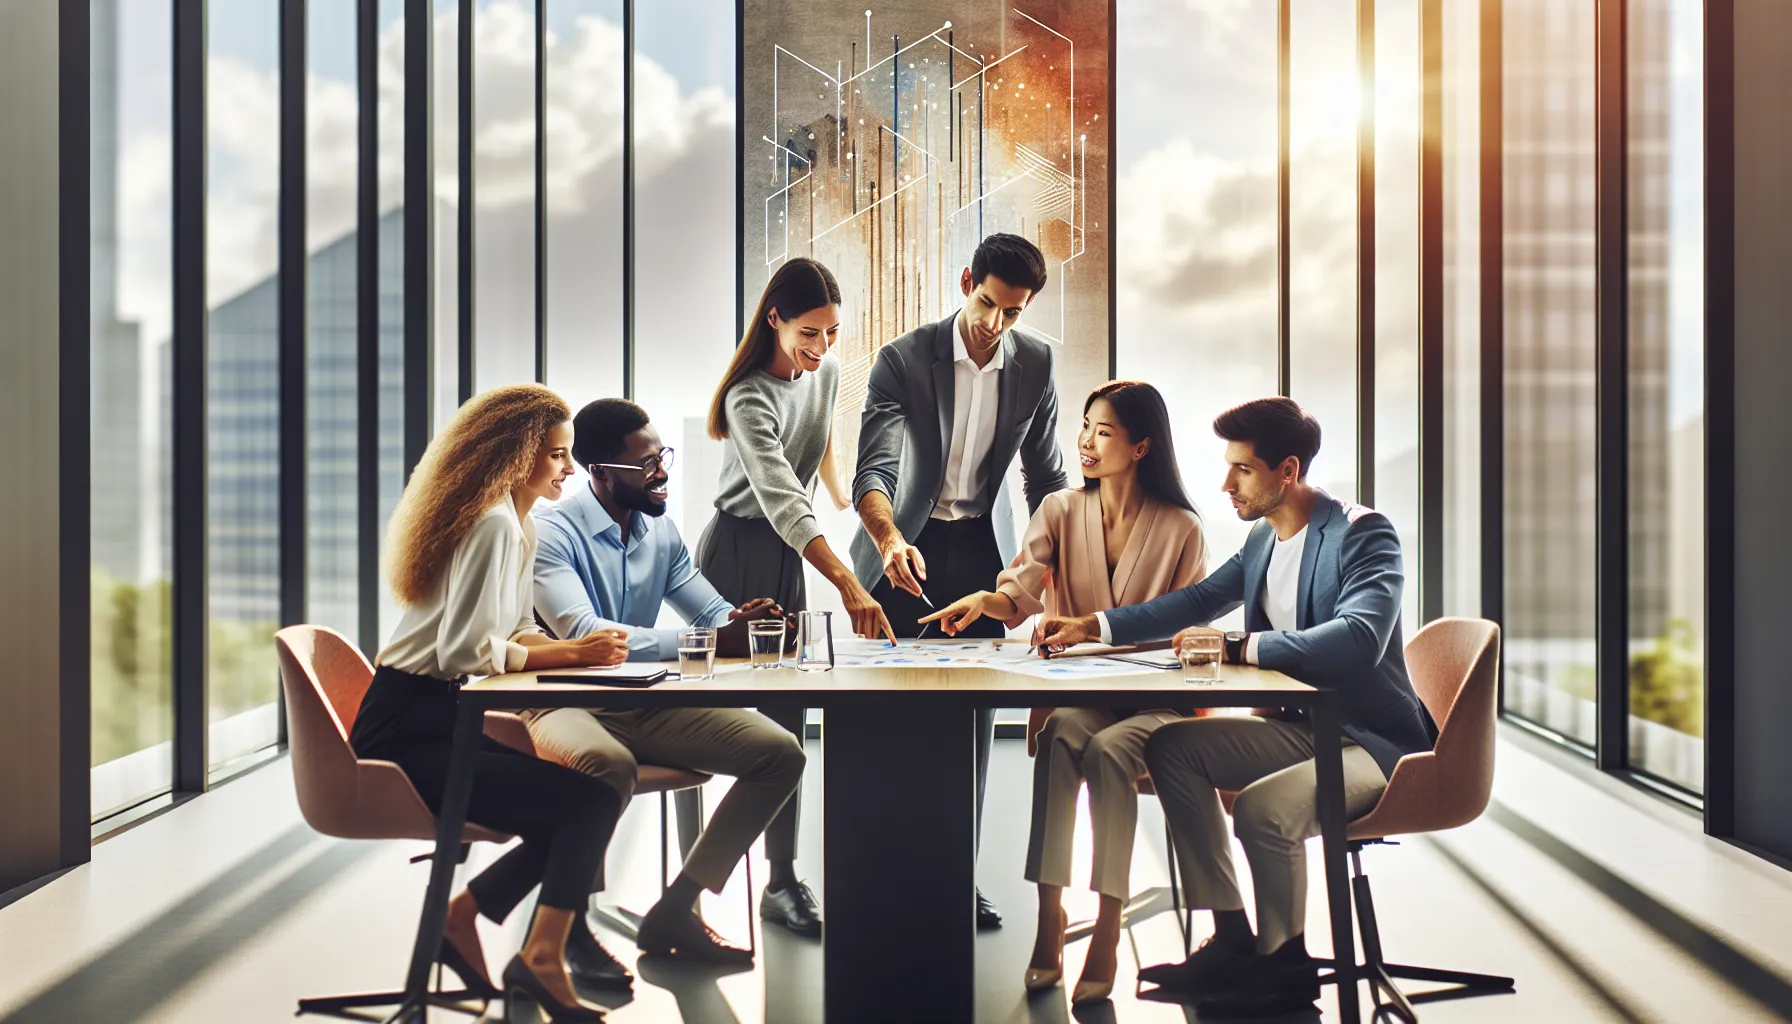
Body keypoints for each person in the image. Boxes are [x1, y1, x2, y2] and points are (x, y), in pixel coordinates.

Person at [1032, 397, 1439, 1015]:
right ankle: (1231, 939)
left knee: (1262, 809)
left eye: (1242, 470)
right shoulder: (1263, 539)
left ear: (1288, 470)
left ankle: (1285, 966)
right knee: (1172, 748)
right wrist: (1094, 625)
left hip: (1372, 743)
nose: (1227, 484)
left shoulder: (1362, 533)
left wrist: (1243, 646)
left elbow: (1360, 638)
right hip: (1301, 728)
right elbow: (1196, 602)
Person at [922, 381, 1207, 1003]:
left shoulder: (1182, 528)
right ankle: (1049, 917)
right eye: (1084, 426)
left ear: (1141, 447)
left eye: (1104, 431)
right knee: (1060, 735)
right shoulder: (1060, 509)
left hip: (1154, 705)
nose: (1086, 441)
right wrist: (987, 601)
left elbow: (1189, 631)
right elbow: (1020, 594)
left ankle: (1106, 925)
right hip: (1079, 697)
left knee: (1109, 752)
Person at [351, 384, 625, 1023]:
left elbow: (517, 631)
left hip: (437, 715)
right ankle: (541, 958)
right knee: (590, 801)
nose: (570, 468)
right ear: (516, 455)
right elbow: (462, 652)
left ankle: (463, 917)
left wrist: (577, 650)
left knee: (578, 807)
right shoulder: (494, 524)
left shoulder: (518, 524)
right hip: (406, 729)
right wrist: (571, 653)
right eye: (557, 454)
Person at [528, 398, 818, 968]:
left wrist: (744, 623)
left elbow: (708, 612)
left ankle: (678, 908)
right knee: (606, 765)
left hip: (644, 701)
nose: (661, 472)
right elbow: (584, 634)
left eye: (663, 456)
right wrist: (709, 641)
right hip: (564, 702)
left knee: (781, 754)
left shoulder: (660, 532)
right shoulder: (551, 532)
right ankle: (570, 927)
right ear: (600, 472)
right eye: (647, 464)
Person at [850, 232, 1068, 929]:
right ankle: (880, 874)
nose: (995, 323)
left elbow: (1047, 478)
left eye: (1014, 312)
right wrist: (889, 539)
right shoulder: (902, 358)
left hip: (982, 550)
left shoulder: (1037, 363)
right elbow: (874, 471)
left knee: (973, 721)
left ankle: (956, 876)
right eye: (987, 304)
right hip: (901, 550)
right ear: (967, 281)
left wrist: (1048, 571)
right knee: (883, 718)